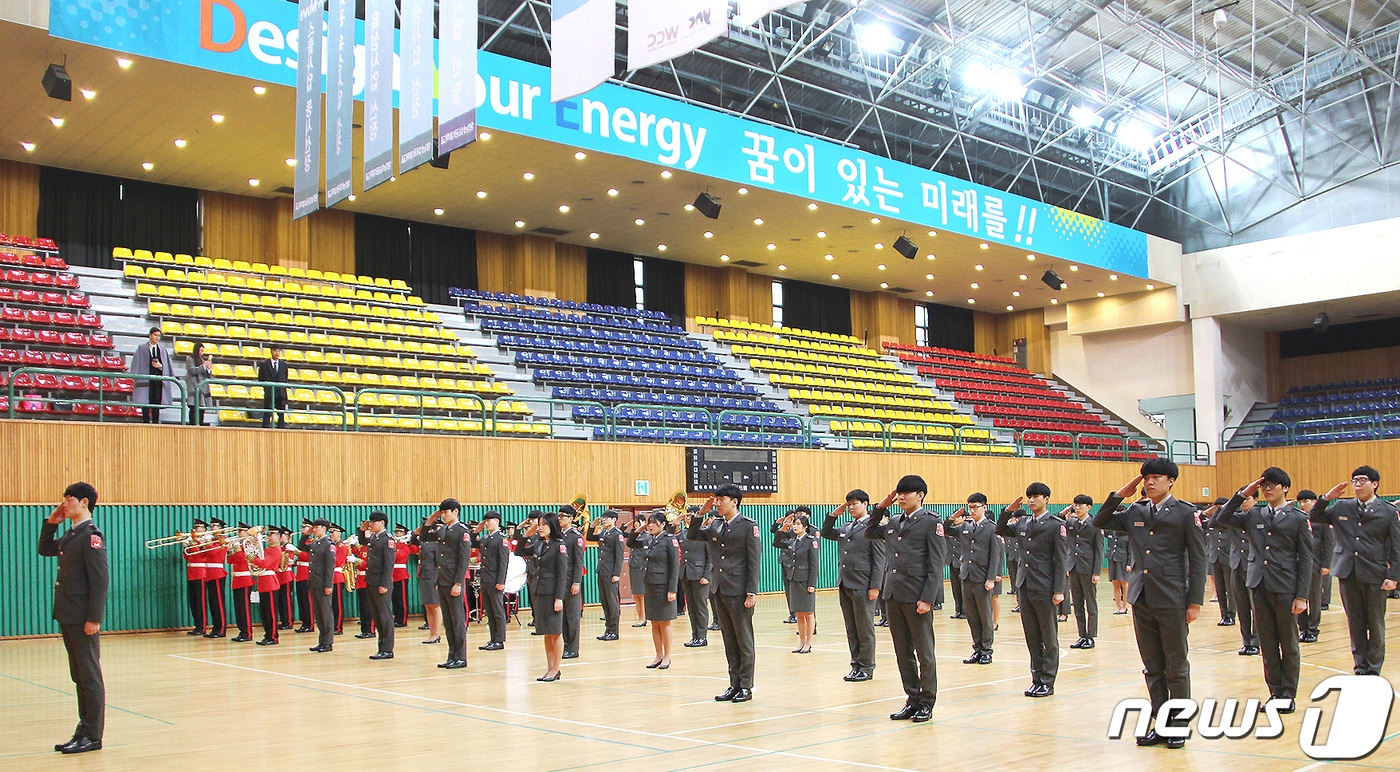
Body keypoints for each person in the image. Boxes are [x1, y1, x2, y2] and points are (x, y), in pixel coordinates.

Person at [1095, 459, 1208, 749]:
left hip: (1172, 598)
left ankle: (1178, 725)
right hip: (1141, 596)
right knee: (1153, 667)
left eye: (1156, 477)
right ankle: (1160, 723)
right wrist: (1122, 493)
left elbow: (1198, 559)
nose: (1150, 482)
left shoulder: (1186, 513)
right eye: (1146, 477)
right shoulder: (1136, 510)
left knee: (1176, 667)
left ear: (1171, 481)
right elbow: (1100, 521)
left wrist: (1195, 601)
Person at [1211, 468, 1312, 712]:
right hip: (1259, 584)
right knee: (1267, 642)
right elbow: (1220, 519)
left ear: (1285, 488)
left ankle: (1288, 694)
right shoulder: (1254, 514)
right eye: (1264, 485)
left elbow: (1306, 559)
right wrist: (1242, 494)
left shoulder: (1298, 518)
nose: (1267, 489)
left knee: (1288, 642)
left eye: (1273, 485)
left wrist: (1302, 595)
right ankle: (1275, 692)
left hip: (1285, 586)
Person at [868, 475, 946, 723]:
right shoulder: (893, 521)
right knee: (903, 652)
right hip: (894, 595)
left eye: (906, 493)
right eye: (899, 493)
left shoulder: (931, 522)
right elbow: (870, 532)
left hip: (917, 596)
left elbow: (936, 564)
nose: (901, 497)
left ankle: (927, 702)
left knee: (924, 653)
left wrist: (928, 598)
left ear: (920, 495)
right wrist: (881, 507)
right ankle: (912, 699)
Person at [1310, 466, 1400, 676]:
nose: (1358, 484)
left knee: (1375, 623)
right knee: (1355, 623)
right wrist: (1326, 498)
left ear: (1374, 484)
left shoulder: (1387, 511)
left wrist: (1394, 577)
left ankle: (1373, 668)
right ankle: (1360, 666)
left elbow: (1397, 547)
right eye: (1355, 481)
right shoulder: (1342, 506)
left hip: (1375, 574)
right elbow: (1315, 516)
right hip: (1348, 573)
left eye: (1362, 480)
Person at [39, 482, 108, 755]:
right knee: (79, 675)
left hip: (82, 617)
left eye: (68, 499)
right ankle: (83, 730)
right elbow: (45, 548)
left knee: (89, 676)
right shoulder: (73, 534)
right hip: (69, 614)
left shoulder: (91, 536)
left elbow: (100, 580)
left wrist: (94, 618)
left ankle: (92, 735)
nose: (64, 504)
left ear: (83, 502)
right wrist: (51, 522)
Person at [689, 483, 762, 703]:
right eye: (716, 499)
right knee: (729, 640)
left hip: (739, 591)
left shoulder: (748, 526)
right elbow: (693, 534)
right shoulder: (716, 524)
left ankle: (746, 686)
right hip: (719, 588)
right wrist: (700, 514)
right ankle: (734, 684)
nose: (718, 503)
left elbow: (754, 562)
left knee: (744, 640)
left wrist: (751, 592)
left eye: (721, 500)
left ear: (734, 502)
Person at [995, 483, 1068, 698]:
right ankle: (1036, 679)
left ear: (1047, 499)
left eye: (1036, 496)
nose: (1031, 500)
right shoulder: (1023, 522)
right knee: (1032, 637)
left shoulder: (1055, 525)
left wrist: (1059, 590)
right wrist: (1008, 511)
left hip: (1045, 586)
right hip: (1025, 585)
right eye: (1029, 497)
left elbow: (1060, 559)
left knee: (1049, 637)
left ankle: (1048, 681)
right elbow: (1000, 529)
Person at [820, 489, 885, 681]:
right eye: (849, 504)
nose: (851, 508)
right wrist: (833, 515)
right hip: (845, 582)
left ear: (865, 504)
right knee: (851, 628)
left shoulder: (872, 527)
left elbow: (879, 559)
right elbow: (826, 533)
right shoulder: (846, 527)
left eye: (855, 503)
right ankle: (855, 665)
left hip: (863, 584)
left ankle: (866, 667)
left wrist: (875, 586)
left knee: (864, 628)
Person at [948, 493, 1002, 665]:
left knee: (985, 617)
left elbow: (995, 554)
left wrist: (991, 578)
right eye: (970, 507)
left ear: (984, 507)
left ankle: (986, 651)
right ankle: (977, 649)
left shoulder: (992, 528)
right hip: (967, 576)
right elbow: (945, 530)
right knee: (972, 617)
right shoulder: (965, 526)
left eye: (975, 507)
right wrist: (952, 517)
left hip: (982, 578)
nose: (972, 510)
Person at [518, 512, 570, 681]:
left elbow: (562, 574)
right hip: (540, 592)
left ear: (552, 526)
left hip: (552, 593)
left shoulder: (559, 546)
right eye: (539, 524)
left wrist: (559, 598)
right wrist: (526, 535)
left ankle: (556, 668)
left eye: (544, 524)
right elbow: (519, 551)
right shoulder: (539, 544)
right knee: (547, 633)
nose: (540, 528)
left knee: (555, 632)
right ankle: (549, 668)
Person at [629, 512, 680, 669]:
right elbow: (630, 542)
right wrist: (640, 528)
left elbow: (675, 566)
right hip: (649, 584)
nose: (650, 525)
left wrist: (672, 589)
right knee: (654, 622)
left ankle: (667, 656)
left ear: (663, 524)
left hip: (663, 586)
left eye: (654, 523)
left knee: (664, 622)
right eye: (649, 523)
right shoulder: (648, 538)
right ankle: (658, 655)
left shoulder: (669, 540)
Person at [433, 499, 472, 670]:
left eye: (445, 512)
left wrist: (458, 582)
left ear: (455, 512)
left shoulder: (462, 531)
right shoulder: (443, 530)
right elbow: (439, 557)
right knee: (448, 621)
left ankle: (461, 657)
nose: (443, 515)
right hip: (443, 580)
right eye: (441, 512)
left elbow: (463, 559)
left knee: (457, 620)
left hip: (453, 581)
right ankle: (452, 655)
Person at [773, 511, 819, 654]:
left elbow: (814, 564)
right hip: (794, 579)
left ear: (805, 526)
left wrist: (812, 584)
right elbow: (776, 543)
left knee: (808, 613)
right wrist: (783, 528)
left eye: (798, 524)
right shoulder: (793, 541)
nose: (795, 526)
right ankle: (801, 642)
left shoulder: (811, 541)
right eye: (794, 524)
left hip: (805, 581)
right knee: (799, 613)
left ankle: (808, 643)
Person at [1294, 490, 1333, 643]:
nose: (1302, 505)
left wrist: (1326, 564)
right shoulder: (1297, 519)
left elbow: (1328, 544)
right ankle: (1303, 628)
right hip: (1298, 565)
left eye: (1306, 501)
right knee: (1299, 596)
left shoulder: (1321, 520)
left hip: (1314, 565)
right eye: (1300, 502)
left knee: (1314, 598)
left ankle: (1313, 629)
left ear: (1314, 502)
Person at [1066, 494, 1104, 650]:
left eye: (1080, 505)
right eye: (1075, 505)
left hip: (1088, 568)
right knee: (1077, 604)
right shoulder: (1071, 523)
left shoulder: (1094, 524)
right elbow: (1057, 519)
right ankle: (1082, 635)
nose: (1077, 507)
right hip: (1073, 567)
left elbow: (1099, 549)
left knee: (1090, 603)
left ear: (1088, 507)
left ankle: (1091, 636)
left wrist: (1097, 572)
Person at [586, 509, 627, 641]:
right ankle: (608, 630)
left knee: (612, 603)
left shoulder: (617, 534)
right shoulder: (604, 532)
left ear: (614, 520)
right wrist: (592, 526)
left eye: (607, 517)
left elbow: (619, 556)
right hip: (602, 570)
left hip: (611, 573)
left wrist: (616, 574)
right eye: (603, 517)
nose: (604, 520)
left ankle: (614, 631)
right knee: (605, 602)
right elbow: (589, 537)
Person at [362, 512, 396, 660]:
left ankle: (387, 649)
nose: (370, 524)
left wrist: (385, 584)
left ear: (382, 522)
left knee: (384, 616)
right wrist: (362, 529)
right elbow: (363, 541)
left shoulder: (387, 539)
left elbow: (388, 564)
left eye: (373, 522)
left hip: (381, 583)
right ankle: (381, 647)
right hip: (372, 581)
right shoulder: (375, 538)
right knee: (377, 616)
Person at [473, 511, 510, 650]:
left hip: (495, 580)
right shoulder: (485, 538)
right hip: (485, 578)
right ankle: (493, 638)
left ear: (497, 521)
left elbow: (503, 562)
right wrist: (476, 531)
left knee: (497, 611)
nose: (487, 523)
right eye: (485, 521)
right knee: (489, 610)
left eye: (489, 521)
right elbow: (471, 543)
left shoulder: (501, 539)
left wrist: (501, 581)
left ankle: (499, 640)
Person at [676, 509, 712, 648]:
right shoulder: (683, 533)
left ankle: (702, 637)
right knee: (691, 607)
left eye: (692, 516)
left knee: (700, 607)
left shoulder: (704, 532)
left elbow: (711, 557)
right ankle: (695, 636)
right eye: (688, 516)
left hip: (700, 574)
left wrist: (706, 575)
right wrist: (675, 523)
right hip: (686, 573)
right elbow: (669, 537)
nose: (689, 518)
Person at [558, 507, 586, 659]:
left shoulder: (575, 537)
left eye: (563, 516)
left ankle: (573, 648)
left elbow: (578, 561)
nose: (560, 518)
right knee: (562, 616)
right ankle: (565, 645)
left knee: (572, 616)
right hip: (560, 580)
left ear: (571, 519)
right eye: (559, 515)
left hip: (570, 580)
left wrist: (576, 582)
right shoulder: (558, 535)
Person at [130, 327, 172, 424]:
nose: (157, 338)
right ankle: (145, 423)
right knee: (145, 402)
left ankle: (156, 423)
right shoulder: (141, 348)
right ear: (150, 335)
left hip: (158, 380)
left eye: (159, 336)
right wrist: (136, 376)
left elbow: (167, 366)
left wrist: (160, 366)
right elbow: (136, 364)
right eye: (155, 335)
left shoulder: (163, 350)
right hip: (145, 380)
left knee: (156, 402)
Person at [412, 515, 443, 644]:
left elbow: (439, 562)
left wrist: (438, 579)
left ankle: (436, 633)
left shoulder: (437, 542)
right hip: (424, 574)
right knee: (427, 605)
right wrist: (416, 532)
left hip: (433, 576)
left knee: (435, 605)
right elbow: (413, 542)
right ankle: (431, 633)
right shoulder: (424, 542)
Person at [307, 519, 336, 653]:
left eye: (316, 527)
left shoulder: (328, 544)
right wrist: (306, 534)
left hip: (323, 583)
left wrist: (328, 585)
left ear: (324, 528)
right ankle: (322, 641)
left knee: (325, 613)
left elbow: (330, 566)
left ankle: (328, 642)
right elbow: (302, 546)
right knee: (318, 614)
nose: (314, 529)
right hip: (314, 582)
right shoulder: (315, 543)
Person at [252, 524, 284, 646]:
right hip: (263, 581)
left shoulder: (276, 549)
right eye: (268, 534)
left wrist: (253, 559)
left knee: (270, 612)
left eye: (271, 534)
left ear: (278, 537)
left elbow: (265, 563)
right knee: (264, 612)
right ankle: (267, 635)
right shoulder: (268, 549)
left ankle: (273, 636)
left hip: (270, 582)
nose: (268, 536)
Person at [200, 517, 229, 638]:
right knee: (212, 603)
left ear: (220, 528)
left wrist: (207, 543)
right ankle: (215, 628)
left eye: (214, 526)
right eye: (211, 526)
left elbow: (212, 552)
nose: (211, 528)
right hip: (209, 573)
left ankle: (221, 629)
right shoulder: (212, 540)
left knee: (218, 603)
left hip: (217, 573)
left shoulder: (222, 540)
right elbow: (203, 555)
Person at [227, 523, 256, 642]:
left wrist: (236, 547)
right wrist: (229, 551)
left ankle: (247, 633)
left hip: (245, 579)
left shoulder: (249, 545)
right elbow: (230, 561)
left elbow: (240, 558)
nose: (238, 533)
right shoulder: (239, 545)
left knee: (244, 608)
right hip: (237, 579)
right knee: (238, 608)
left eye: (241, 531)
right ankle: (242, 631)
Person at [1207, 505, 1235, 626]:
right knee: (1220, 590)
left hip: (1227, 561)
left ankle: (1231, 615)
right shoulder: (1213, 527)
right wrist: (1218, 509)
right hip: (1216, 560)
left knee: (1230, 590)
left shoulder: (1231, 527)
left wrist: (1226, 509)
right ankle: (1223, 614)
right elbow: (1210, 523)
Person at [256, 345, 290, 428]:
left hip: (281, 392)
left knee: (281, 413)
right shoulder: (264, 364)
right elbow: (260, 378)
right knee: (268, 412)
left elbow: (285, 378)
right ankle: (265, 428)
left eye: (278, 351)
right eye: (275, 351)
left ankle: (281, 428)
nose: (277, 353)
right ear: (271, 351)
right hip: (269, 392)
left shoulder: (284, 365)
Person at [627, 515, 651, 627]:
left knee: (641, 594)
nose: (636, 524)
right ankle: (640, 617)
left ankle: (643, 617)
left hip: (642, 567)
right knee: (636, 594)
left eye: (638, 521)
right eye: (635, 522)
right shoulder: (634, 535)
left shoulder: (647, 536)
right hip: (633, 566)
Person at [183, 342, 213, 426]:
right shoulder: (190, 359)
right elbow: (193, 371)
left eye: (202, 351)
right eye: (199, 350)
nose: (201, 353)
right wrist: (203, 366)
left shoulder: (202, 360)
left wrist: (209, 369)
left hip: (202, 389)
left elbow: (208, 375)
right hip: (194, 387)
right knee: (193, 408)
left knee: (201, 409)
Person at [293, 519, 315, 634]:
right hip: (300, 574)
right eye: (302, 527)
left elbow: (310, 557)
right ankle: (304, 622)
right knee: (301, 600)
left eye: (305, 527)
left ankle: (309, 624)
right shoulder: (303, 541)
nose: (302, 529)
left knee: (307, 600)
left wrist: (297, 552)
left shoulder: (313, 541)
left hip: (307, 573)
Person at [1107, 523, 1131, 615]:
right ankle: (1118, 606)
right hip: (1112, 559)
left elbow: (1130, 551)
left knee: (1124, 583)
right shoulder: (1111, 532)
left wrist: (1129, 564)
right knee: (1115, 583)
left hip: (1123, 561)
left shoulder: (1127, 535)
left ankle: (1124, 606)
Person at [391, 524, 411, 627]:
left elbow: (398, 556)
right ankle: (396, 618)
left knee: (401, 599)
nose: (397, 534)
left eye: (400, 532)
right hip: (393, 574)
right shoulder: (394, 544)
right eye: (396, 532)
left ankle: (402, 620)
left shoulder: (405, 546)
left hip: (401, 574)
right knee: (394, 599)